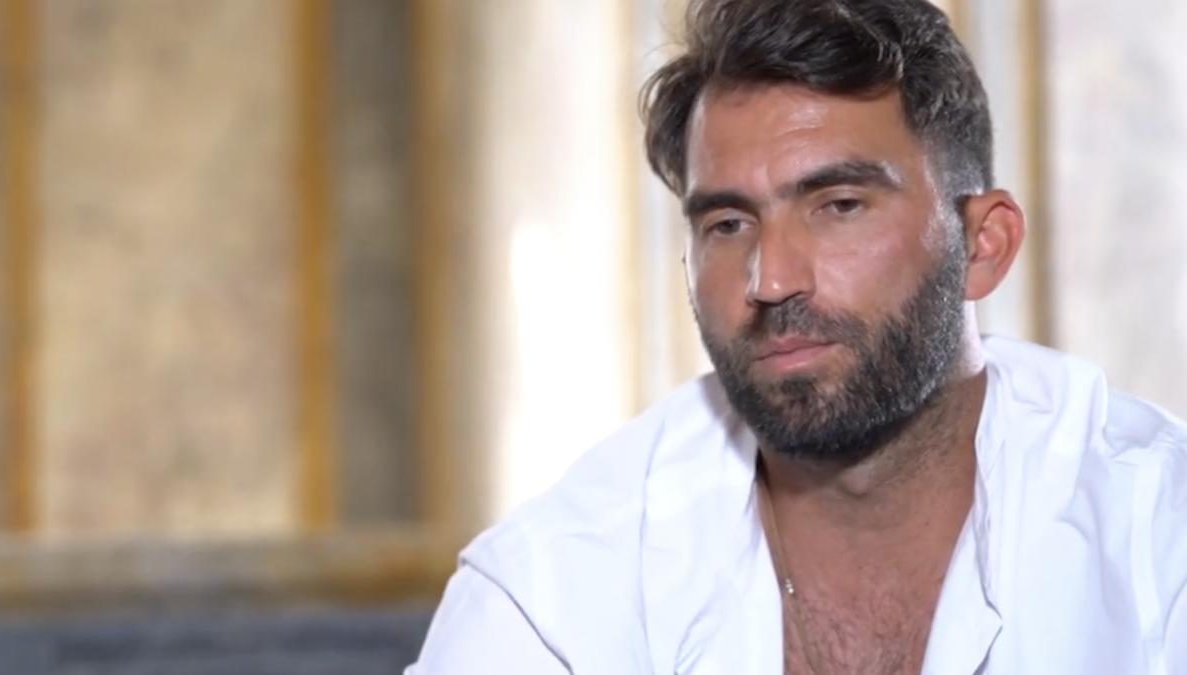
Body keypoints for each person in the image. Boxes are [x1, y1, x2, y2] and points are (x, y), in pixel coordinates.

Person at [408, 0, 1187, 672]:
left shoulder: (1154, 535)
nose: (770, 279)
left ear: (982, 245)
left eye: (838, 205)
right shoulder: (556, 590)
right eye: (727, 223)